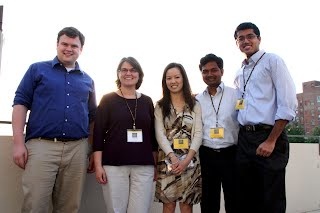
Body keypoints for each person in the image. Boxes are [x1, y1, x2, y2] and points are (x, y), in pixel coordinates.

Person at [12, 27, 97, 213]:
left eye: (74, 45)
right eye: (64, 44)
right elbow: (20, 104)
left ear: (81, 49)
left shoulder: (88, 80)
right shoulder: (37, 70)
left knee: (69, 208)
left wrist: (90, 150)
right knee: (35, 205)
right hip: (42, 147)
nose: (69, 48)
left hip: (78, 149)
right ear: (57, 45)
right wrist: (18, 143)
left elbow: (92, 117)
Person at [233, 22, 297, 213]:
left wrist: (271, 140)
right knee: (249, 198)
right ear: (236, 43)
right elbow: (239, 105)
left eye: (250, 36)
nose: (246, 41)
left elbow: (288, 103)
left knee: (272, 199)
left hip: (269, 136)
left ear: (259, 39)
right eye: (241, 38)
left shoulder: (272, 61)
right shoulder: (240, 72)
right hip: (245, 140)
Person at [93, 56, 158, 213]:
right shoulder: (108, 99)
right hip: (114, 166)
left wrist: (155, 164)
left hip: (144, 166)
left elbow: (153, 136)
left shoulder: (147, 101)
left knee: (140, 210)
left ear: (139, 74)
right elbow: (98, 134)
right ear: (118, 74)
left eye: (133, 70)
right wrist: (98, 165)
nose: (128, 73)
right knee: (116, 210)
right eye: (124, 70)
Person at [154, 62, 202, 213]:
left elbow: (198, 133)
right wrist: (173, 158)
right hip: (167, 161)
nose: (173, 81)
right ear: (165, 81)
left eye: (176, 77)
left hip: (191, 161)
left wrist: (186, 160)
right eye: (169, 78)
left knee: (187, 205)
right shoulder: (160, 106)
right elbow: (159, 134)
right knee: (168, 205)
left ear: (183, 79)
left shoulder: (194, 104)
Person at [196, 54, 239, 213]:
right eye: (205, 71)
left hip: (231, 154)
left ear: (221, 71)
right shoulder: (197, 100)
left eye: (214, 70)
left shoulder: (236, 95)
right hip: (206, 155)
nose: (209, 74)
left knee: (234, 199)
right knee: (208, 201)